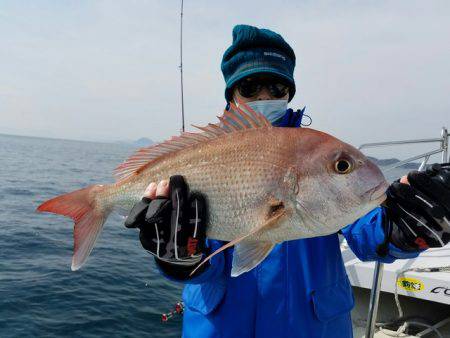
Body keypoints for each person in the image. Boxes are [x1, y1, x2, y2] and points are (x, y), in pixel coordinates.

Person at [125, 25, 450, 338]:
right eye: (250, 87)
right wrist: (180, 258)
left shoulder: (313, 153)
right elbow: (207, 264)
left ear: (289, 92)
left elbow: (363, 228)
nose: (265, 96)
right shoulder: (211, 153)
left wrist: (399, 229)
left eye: (277, 87)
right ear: (232, 93)